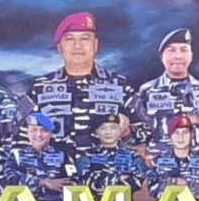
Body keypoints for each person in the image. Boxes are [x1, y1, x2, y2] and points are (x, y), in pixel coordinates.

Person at [26, 13, 135, 154]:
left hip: (105, 172)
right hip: (55, 173)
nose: (77, 46)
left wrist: (126, 131)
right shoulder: (39, 87)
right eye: (69, 39)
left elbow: (148, 133)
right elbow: (18, 136)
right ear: (60, 47)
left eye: (85, 38)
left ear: (95, 45)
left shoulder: (120, 85)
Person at [129, 29, 199, 147]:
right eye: (171, 50)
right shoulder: (146, 91)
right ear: (161, 56)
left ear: (191, 56)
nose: (178, 56)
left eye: (184, 50)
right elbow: (137, 132)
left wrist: (190, 128)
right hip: (159, 161)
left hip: (194, 162)